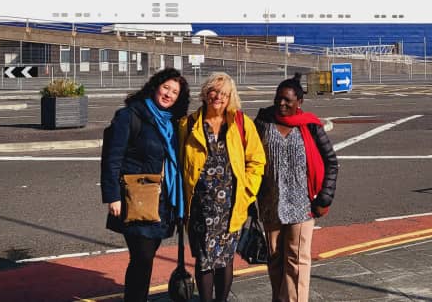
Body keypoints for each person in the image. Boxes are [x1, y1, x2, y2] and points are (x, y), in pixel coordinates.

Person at [100, 68, 190, 302]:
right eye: (166, 87)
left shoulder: (172, 123)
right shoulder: (130, 115)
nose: (168, 94)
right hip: (136, 198)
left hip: (163, 201)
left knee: (145, 258)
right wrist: (112, 196)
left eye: (175, 92)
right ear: (154, 87)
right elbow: (112, 157)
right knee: (142, 258)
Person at [178, 72, 265, 302]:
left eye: (224, 93)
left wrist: (247, 192)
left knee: (225, 259)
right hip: (200, 206)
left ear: (230, 97)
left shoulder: (241, 123)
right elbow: (179, 164)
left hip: (231, 205)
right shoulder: (189, 124)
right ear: (205, 93)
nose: (218, 97)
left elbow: (257, 160)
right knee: (204, 260)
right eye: (214, 91)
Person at [255, 74, 339, 302]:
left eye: (287, 100)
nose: (281, 104)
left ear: (299, 102)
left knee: (297, 260)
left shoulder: (310, 126)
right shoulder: (263, 123)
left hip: (303, 205)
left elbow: (331, 161)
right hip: (271, 204)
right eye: (278, 99)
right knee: (275, 259)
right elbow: (250, 157)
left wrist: (325, 197)